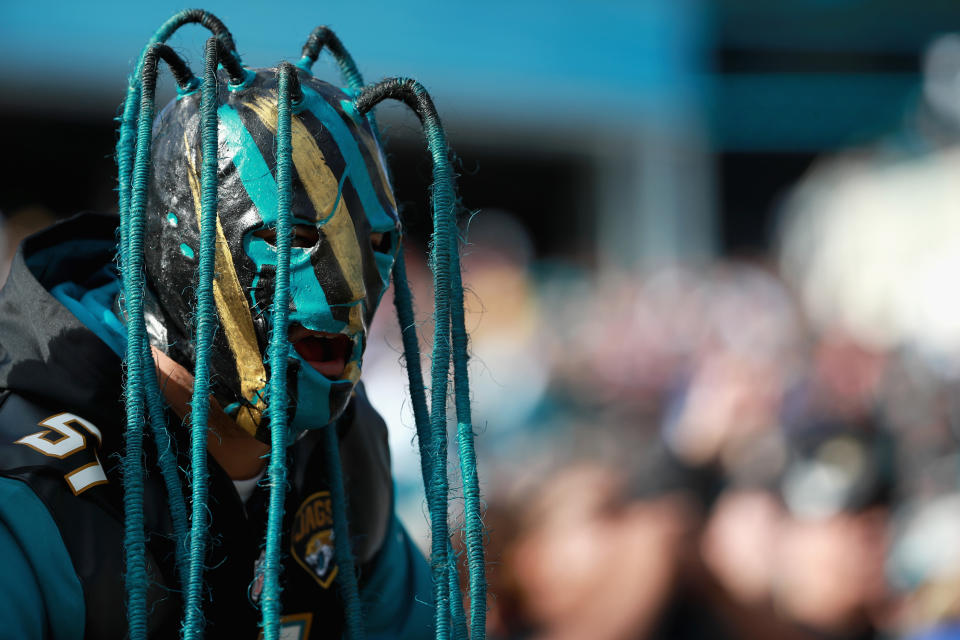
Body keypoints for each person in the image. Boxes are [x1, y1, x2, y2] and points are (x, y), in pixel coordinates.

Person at [0, 11, 483, 640]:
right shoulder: (30, 493)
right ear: (182, 244)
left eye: (378, 242)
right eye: (291, 239)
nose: (346, 289)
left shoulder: (343, 451)